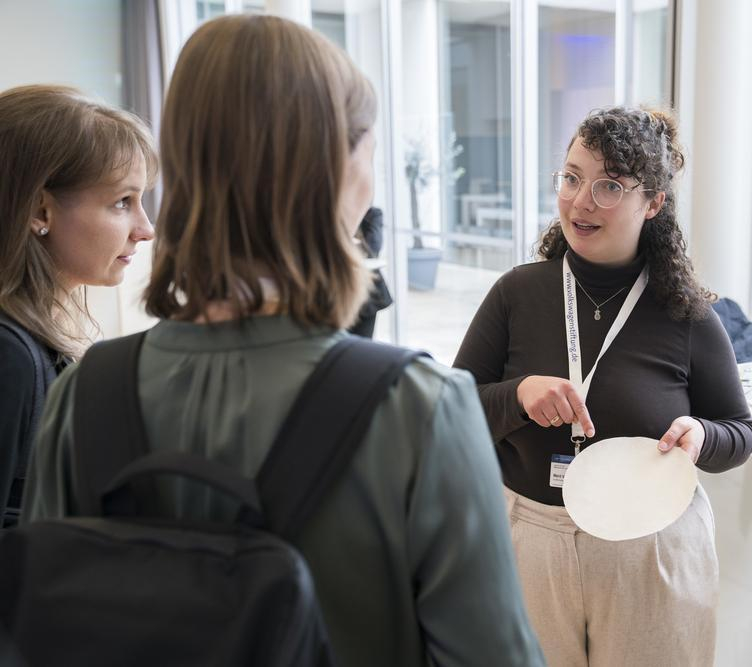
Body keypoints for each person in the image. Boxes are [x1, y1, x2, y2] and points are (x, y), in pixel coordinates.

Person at [22, 15, 543, 667]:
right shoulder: (420, 407)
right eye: (367, 153)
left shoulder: (82, 394)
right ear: (333, 171)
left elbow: (46, 632)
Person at [453, 106, 752, 666]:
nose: (580, 201)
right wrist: (517, 395)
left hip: (652, 547)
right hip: (529, 536)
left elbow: (740, 433)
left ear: (654, 203)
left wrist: (701, 436)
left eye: (609, 185)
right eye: (571, 177)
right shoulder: (517, 294)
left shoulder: (687, 313)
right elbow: (452, 410)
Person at [0, 85, 156, 527]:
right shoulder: (9, 356)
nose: (146, 229)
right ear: (40, 211)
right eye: (122, 202)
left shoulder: (31, 344)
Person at [348, 206, 393, 338]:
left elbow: (373, 248)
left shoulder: (372, 214)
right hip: (334, 291)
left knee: (363, 345)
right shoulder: (327, 213)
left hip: (366, 294)